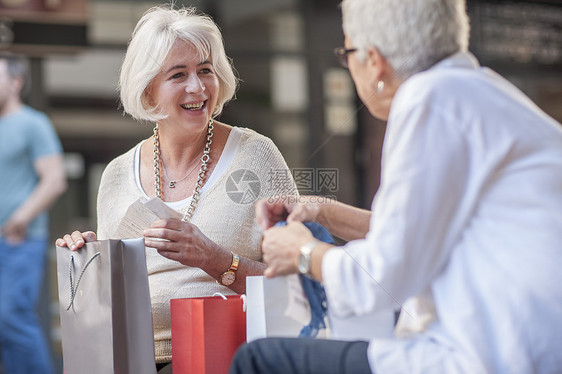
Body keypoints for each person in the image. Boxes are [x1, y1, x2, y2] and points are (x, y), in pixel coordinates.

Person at [229, 0, 562, 373]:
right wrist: (322, 211)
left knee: (257, 360)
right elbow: (413, 236)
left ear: (374, 60)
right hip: (532, 341)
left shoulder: (427, 101)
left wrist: (302, 252)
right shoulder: (479, 92)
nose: (349, 65)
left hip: (496, 353)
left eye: (346, 53)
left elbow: (380, 281)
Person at [55, 5, 297, 372]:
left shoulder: (256, 156)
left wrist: (215, 260)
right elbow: (107, 304)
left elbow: (298, 280)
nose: (197, 87)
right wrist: (88, 260)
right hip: (130, 359)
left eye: (205, 70)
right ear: (148, 90)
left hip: (226, 355)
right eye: (178, 75)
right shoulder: (117, 175)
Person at [0, 52, 66, 374]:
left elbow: (54, 180)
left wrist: (18, 220)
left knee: (11, 317)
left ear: (16, 82)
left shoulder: (33, 123)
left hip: (17, 241)